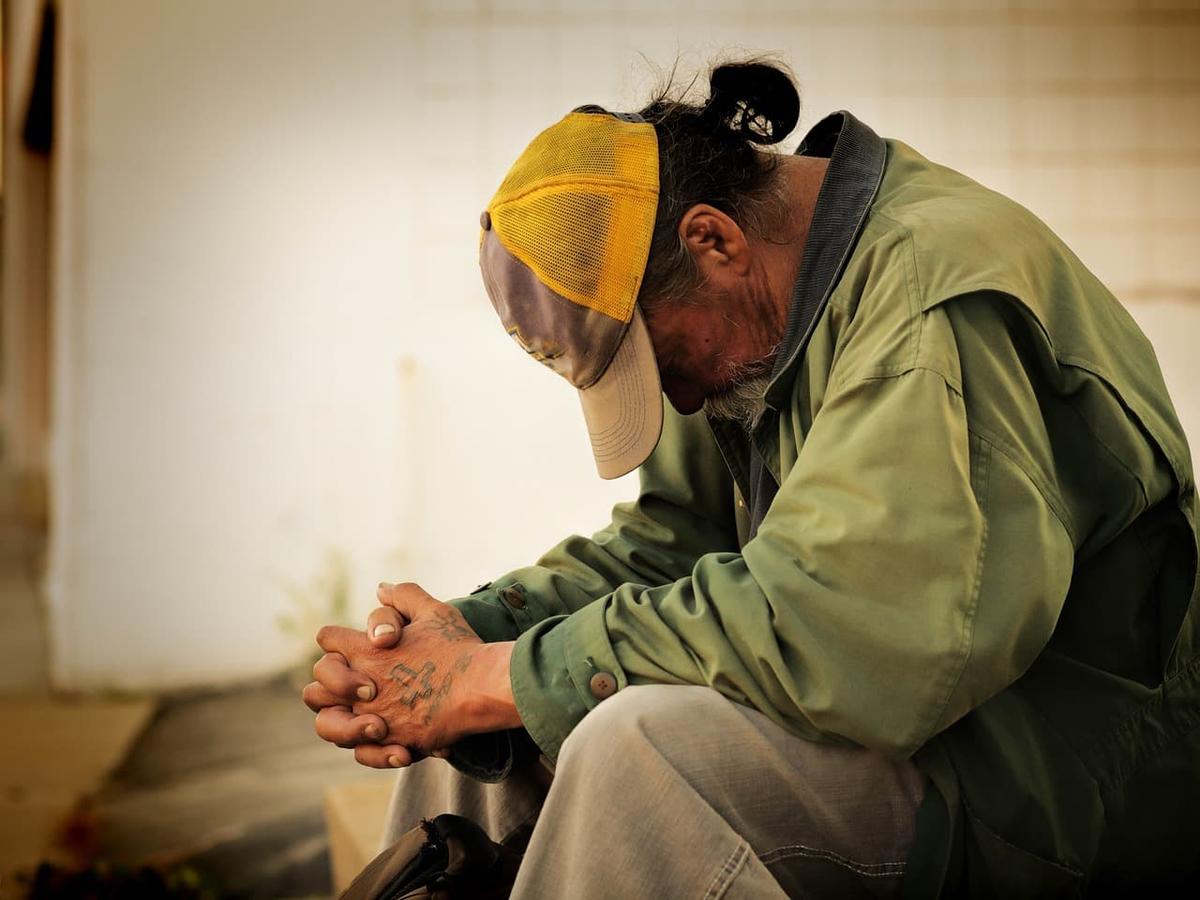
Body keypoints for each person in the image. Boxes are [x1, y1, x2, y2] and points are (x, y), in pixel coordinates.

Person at [303, 59, 1200, 896]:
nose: (680, 400)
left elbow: (856, 636)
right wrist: (465, 644)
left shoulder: (929, 303)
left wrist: (498, 675)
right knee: (477, 738)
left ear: (713, 241)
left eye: (660, 363)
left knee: (635, 750)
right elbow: (677, 541)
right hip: (910, 729)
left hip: (1039, 786)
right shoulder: (749, 306)